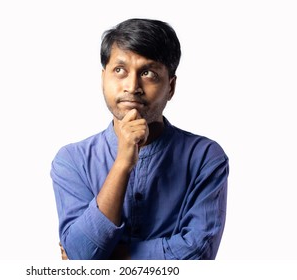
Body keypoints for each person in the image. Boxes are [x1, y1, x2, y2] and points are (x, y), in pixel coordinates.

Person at [51, 18, 229, 260]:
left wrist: (110, 258)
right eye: (119, 70)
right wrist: (123, 163)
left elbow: (198, 253)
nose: (132, 86)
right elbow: (81, 254)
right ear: (104, 78)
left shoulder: (205, 157)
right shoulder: (72, 160)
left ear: (171, 87)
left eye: (148, 73)